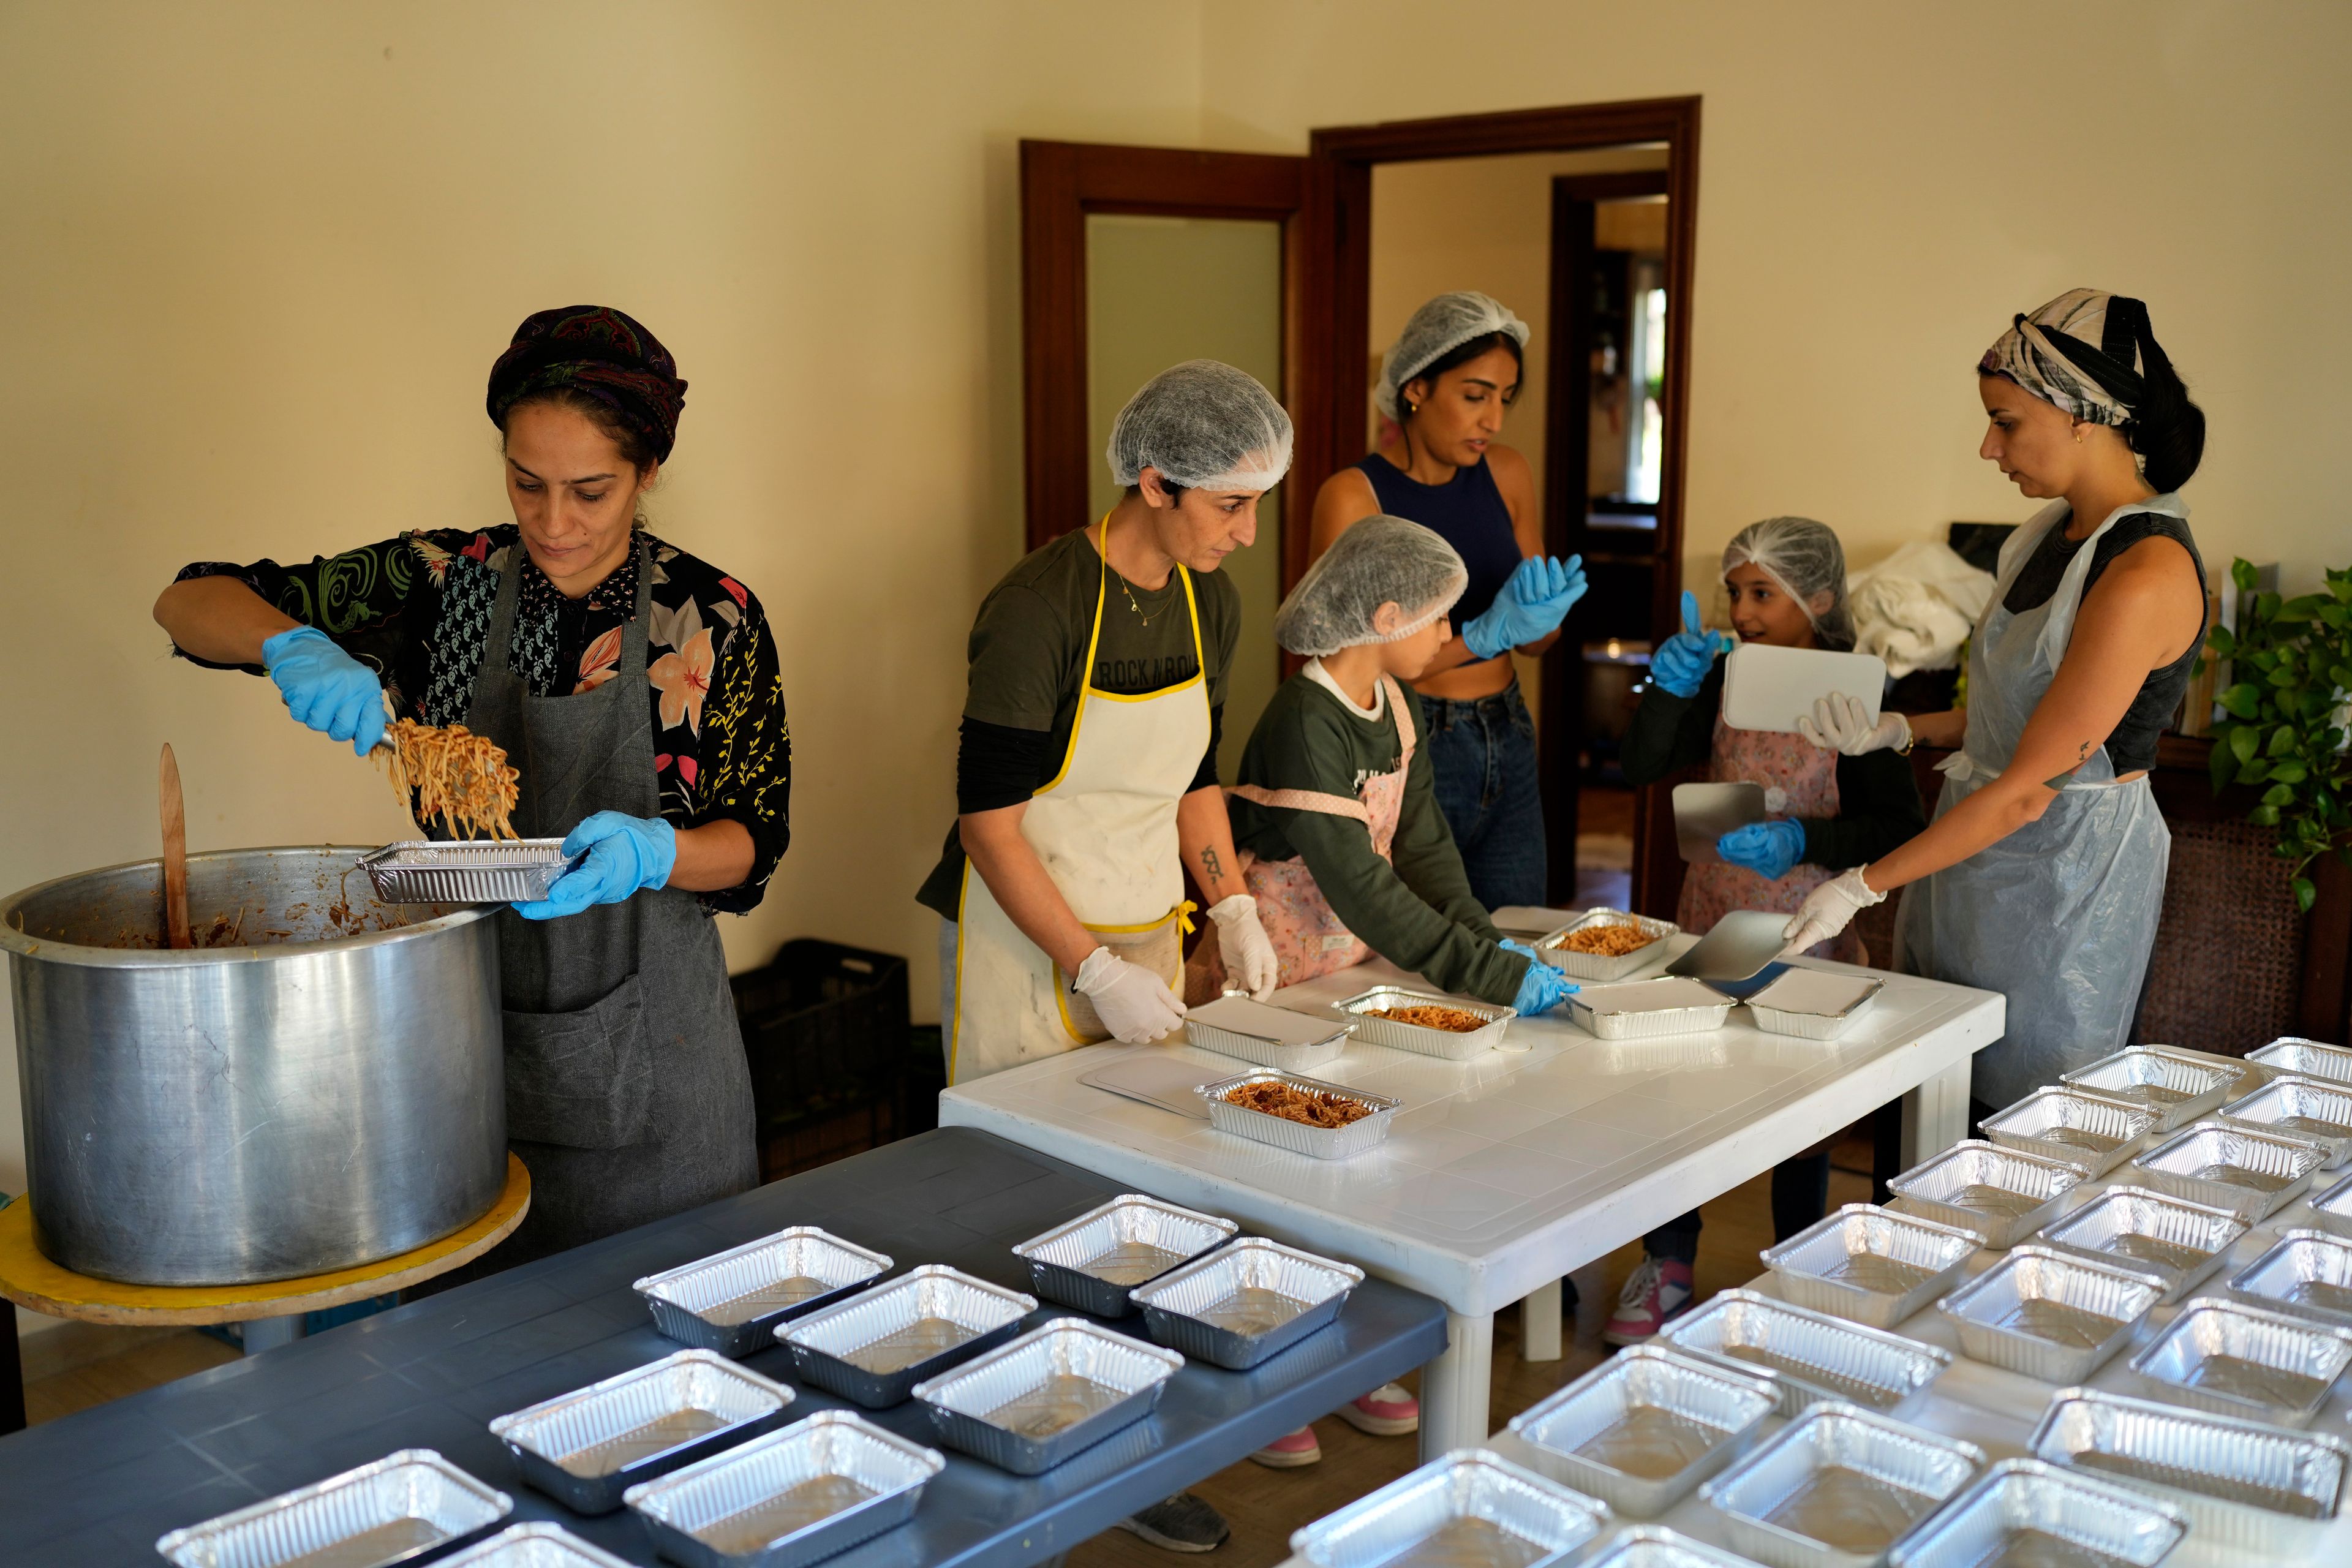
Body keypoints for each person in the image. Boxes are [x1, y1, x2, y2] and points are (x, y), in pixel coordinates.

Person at [152, 305, 780, 1269]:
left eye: (591, 491)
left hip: (664, 1076)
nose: (555, 522)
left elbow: (755, 839)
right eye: (527, 484)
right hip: (461, 1056)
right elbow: (189, 600)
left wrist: (660, 852)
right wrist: (291, 642)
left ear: (648, 473)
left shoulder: (711, 618)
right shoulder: (443, 581)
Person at [913, 360, 1289, 1553]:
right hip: (1031, 939)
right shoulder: (1039, 603)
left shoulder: (1204, 598)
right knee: (1021, 1202)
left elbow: (1194, 780)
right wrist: (1088, 966)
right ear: (1152, 478)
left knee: (1140, 1205)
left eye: (1254, 504)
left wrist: (1227, 906)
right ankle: (1007, 1452)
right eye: (1230, 504)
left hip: (1146, 927)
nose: (1246, 529)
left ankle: (1127, 1453)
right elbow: (991, 820)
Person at [1198, 513, 1576, 1470]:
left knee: (1359, 1163)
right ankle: (1276, 1364)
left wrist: (1494, 944)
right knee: (1280, 1170)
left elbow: (1425, 851)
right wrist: (1488, 976)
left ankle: (1346, 1351)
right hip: (1274, 971)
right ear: (1385, 613)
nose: (1455, 641)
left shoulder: (1396, 708)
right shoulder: (1304, 717)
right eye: (1441, 623)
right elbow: (1356, 880)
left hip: (1351, 963)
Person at [1780, 288, 2208, 1120]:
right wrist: (1900, 729)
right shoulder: (2041, 538)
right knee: (1929, 1096)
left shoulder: (2146, 573)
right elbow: (2012, 721)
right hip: (1973, 860)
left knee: (2019, 1125)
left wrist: (1862, 884)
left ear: (2086, 415)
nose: (1987, 447)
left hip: (2065, 882)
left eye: (2006, 422)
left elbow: (2030, 787)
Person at [1605, 517, 1927, 1343]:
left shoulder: (1855, 698)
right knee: (1678, 1084)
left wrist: (1802, 839)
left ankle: (1797, 1268)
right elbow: (1642, 768)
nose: (1741, 611)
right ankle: (1668, 1258)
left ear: (1818, 600)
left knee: (1798, 1103)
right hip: (1710, 913)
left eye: (1762, 595)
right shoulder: (1724, 679)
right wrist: (1667, 688)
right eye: (1735, 593)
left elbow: (1893, 827)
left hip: (1807, 927)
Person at [1308, 292, 1587, 909]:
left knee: (1516, 937)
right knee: (1417, 951)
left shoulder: (1508, 473)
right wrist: (1482, 633)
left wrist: (1542, 618)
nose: (1493, 419)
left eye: (1504, 398)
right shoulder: (1355, 499)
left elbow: (1538, 643)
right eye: (1474, 394)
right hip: (1412, 743)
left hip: (1507, 730)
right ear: (1416, 386)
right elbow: (1345, 675)